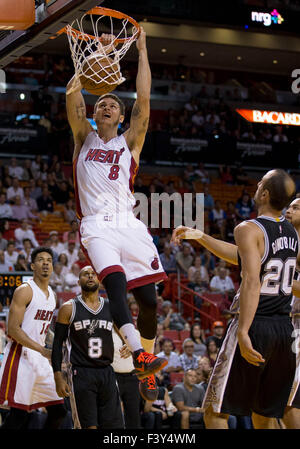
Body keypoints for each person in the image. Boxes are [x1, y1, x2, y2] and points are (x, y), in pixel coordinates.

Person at [66, 29, 167, 400]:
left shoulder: (130, 141)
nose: (105, 106)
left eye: (112, 105)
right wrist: (97, 52)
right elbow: (73, 89)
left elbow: (143, 97)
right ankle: (139, 357)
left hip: (129, 224)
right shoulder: (83, 137)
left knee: (151, 303)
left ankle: (147, 361)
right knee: (117, 286)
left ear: (122, 117)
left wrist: (140, 50)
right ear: (94, 114)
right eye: (101, 104)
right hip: (96, 225)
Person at [172, 169, 298, 428]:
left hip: (255, 323)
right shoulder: (292, 234)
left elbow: (252, 281)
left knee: (215, 411)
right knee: (264, 414)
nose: (257, 185)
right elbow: (243, 255)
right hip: (284, 330)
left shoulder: (248, 228)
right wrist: (200, 236)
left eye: (260, 182)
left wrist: (243, 331)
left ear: (263, 193)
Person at [0, 247, 66, 429]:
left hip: (40, 358)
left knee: (59, 411)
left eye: (49, 260)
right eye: (40, 260)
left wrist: (57, 344)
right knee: (18, 415)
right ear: (33, 266)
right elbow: (13, 329)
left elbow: (43, 329)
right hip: (19, 356)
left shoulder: (52, 295)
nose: (45, 263)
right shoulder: (25, 290)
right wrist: (42, 349)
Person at [51, 266, 124, 429]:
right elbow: (57, 345)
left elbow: (124, 331)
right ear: (78, 281)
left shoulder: (110, 306)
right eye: (86, 274)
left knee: (113, 427)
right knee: (88, 426)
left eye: (93, 274)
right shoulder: (69, 308)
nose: (90, 276)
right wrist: (58, 376)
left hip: (107, 371)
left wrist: (128, 344)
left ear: (99, 281)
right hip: (81, 373)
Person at [112, 327, 142, 428]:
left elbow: (143, 353)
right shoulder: (107, 331)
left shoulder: (135, 333)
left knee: (133, 413)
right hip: (114, 377)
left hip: (133, 377)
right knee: (114, 413)